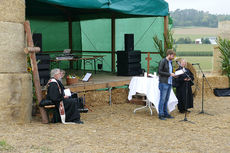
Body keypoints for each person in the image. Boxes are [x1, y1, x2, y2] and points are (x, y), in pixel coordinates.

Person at [158, 49, 176, 120]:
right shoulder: (163, 61)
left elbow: (170, 71)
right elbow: (159, 71)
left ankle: (166, 113)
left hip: (169, 82)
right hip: (163, 82)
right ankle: (161, 114)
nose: (173, 57)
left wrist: (174, 75)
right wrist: (169, 74)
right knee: (162, 99)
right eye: (172, 56)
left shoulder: (170, 62)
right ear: (169, 55)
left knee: (166, 99)